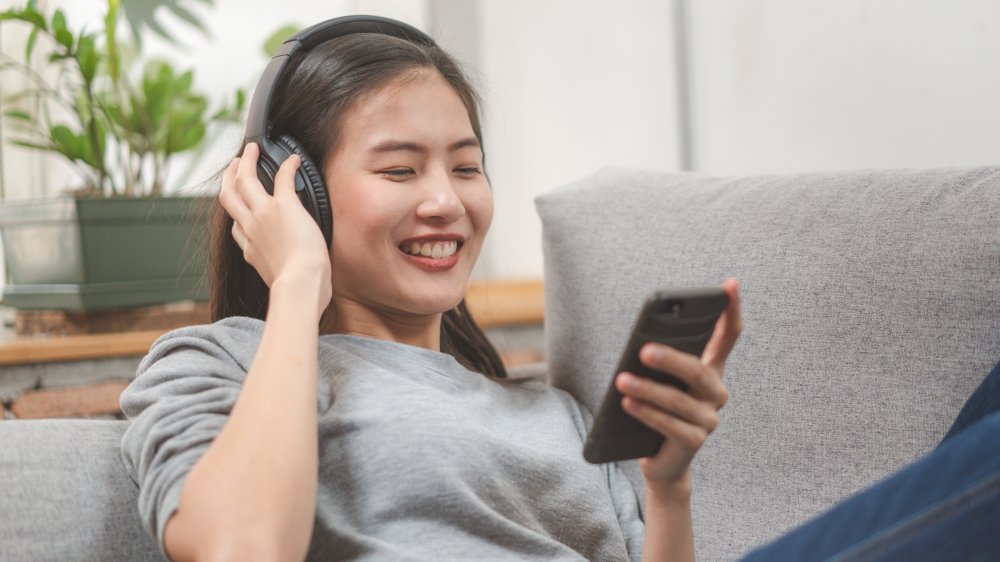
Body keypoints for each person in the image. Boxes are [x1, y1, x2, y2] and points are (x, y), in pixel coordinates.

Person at [119, 15, 1000, 562]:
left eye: (466, 167)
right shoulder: (212, 368)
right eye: (399, 169)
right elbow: (242, 551)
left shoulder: (553, 419)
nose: (445, 201)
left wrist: (667, 490)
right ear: (291, 187)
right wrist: (298, 284)